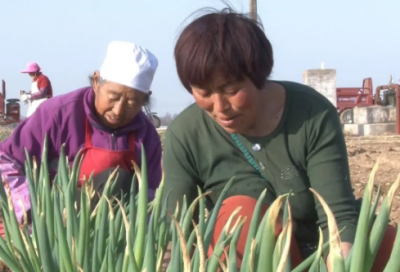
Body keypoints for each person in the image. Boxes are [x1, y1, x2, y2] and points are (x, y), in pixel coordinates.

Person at [161, 8, 397, 271]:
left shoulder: (311, 114)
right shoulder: (186, 134)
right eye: (203, 92)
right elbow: (176, 232)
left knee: (388, 242)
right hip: (247, 261)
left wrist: (340, 264)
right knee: (240, 212)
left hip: (319, 254)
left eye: (232, 90)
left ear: (259, 75)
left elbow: (338, 220)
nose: (220, 107)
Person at [0, 41, 162, 236]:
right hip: (48, 221)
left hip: (110, 234)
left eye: (132, 102)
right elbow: (5, 160)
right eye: (113, 97)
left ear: (145, 100)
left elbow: (150, 194)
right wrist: (32, 209)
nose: (118, 110)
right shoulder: (58, 114)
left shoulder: (146, 135)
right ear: (96, 81)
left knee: (120, 180)